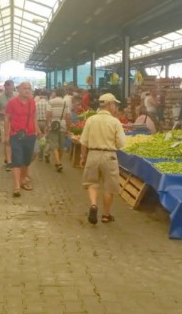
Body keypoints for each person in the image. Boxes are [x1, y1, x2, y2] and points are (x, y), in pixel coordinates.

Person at [80, 93, 126, 225]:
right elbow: (121, 143)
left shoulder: (91, 120)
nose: (116, 107)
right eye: (115, 104)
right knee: (109, 187)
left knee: (92, 182)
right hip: (109, 155)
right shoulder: (115, 122)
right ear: (110, 105)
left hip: (93, 154)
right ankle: (106, 215)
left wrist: (83, 157)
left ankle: (94, 205)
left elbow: (84, 142)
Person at [5, 82, 41, 197]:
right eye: (24, 88)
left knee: (26, 160)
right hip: (16, 134)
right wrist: (6, 136)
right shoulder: (12, 103)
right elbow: (7, 119)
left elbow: (34, 116)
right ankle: (16, 186)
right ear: (19, 90)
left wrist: (37, 129)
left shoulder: (32, 102)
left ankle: (23, 179)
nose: (27, 90)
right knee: (17, 160)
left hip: (30, 134)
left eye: (29, 88)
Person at [46, 89, 71, 172]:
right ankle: (58, 162)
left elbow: (48, 114)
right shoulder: (65, 103)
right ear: (63, 94)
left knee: (54, 145)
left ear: (55, 94)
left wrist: (47, 125)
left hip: (53, 125)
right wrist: (68, 128)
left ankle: (58, 163)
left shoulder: (51, 102)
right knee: (61, 146)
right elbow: (68, 116)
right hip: (63, 125)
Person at [0, 80, 17, 171]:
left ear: (13, 87)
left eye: (10, 88)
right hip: (3, 122)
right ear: (5, 88)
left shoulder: (17, 96)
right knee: (7, 141)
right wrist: (3, 112)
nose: (9, 90)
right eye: (7, 88)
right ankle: (9, 162)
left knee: (14, 141)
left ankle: (9, 158)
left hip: (16, 122)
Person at [35, 91, 49, 160]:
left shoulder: (36, 104)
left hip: (38, 122)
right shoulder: (48, 104)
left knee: (39, 138)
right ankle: (46, 152)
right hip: (46, 122)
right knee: (46, 138)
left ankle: (40, 156)